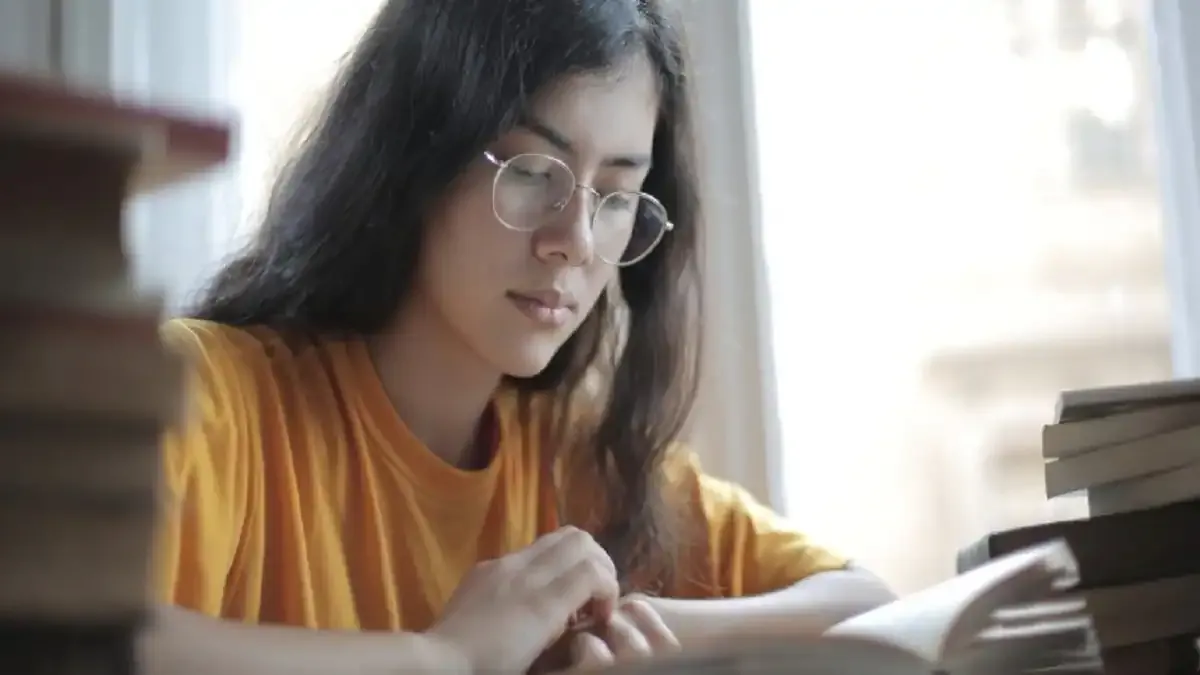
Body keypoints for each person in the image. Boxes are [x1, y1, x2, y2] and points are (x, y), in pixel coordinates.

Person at [139, 1, 896, 673]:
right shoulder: (201, 393)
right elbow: (52, 637)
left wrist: (635, 621)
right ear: (414, 157)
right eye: (534, 171)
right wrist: (444, 655)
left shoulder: (585, 463)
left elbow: (870, 606)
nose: (574, 240)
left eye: (617, 195)